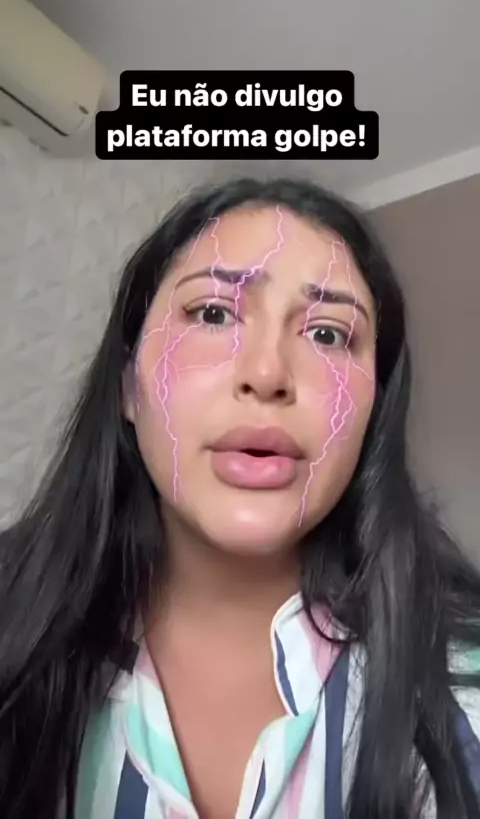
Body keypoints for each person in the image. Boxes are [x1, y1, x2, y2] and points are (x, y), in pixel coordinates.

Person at [1, 176, 480, 819]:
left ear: (373, 413)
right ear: (128, 388)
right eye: (213, 314)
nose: (267, 374)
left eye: (329, 334)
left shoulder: (461, 685)